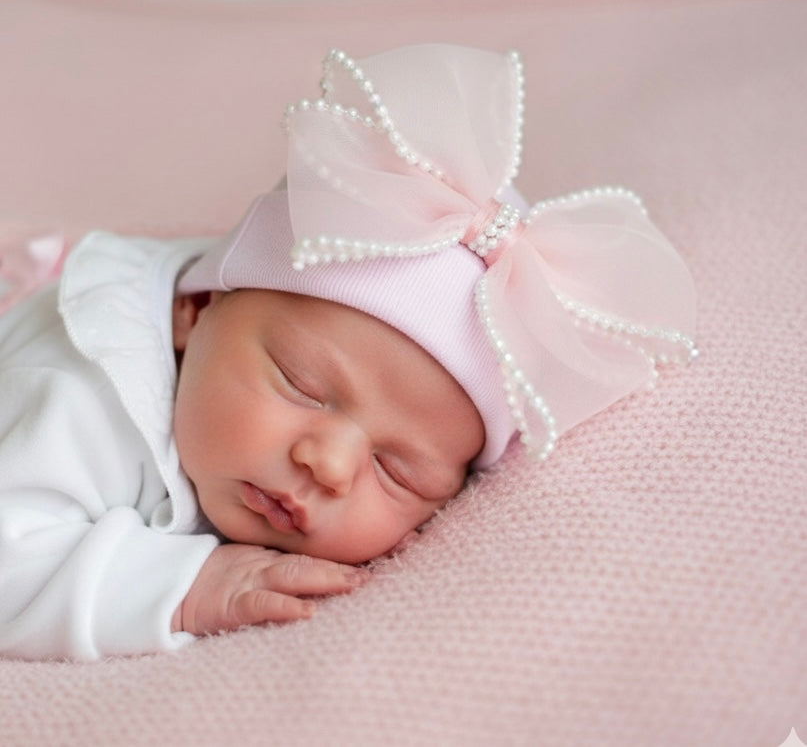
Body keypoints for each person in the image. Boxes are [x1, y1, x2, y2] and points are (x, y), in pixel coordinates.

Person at [0, 44, 696, 661]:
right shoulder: (82, 398)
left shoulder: (237, 359)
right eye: (300, 384)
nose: (329, 465)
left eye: (398, 473)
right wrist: (185, 586)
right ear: (194, 310)